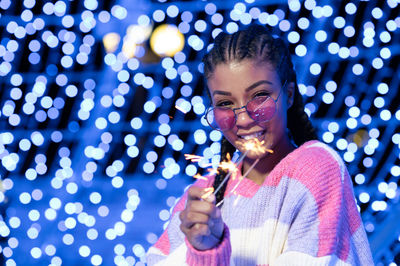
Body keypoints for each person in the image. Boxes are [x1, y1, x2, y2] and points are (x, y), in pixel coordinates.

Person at [147, 24, 373, 265]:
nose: (243, 119)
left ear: (288, 94)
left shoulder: (315, 167)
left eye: (259, 96)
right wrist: (205, 251)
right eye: (225, 103)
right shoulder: (202, 199)